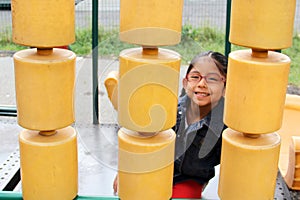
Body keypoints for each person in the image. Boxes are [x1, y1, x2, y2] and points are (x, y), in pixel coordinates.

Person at [113, 50, 228, 199]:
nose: (201, 84)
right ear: (185, 82)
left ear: (225, 86)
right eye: (195, 77)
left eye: (212, 79)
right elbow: (143, 140)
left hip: (189, 178)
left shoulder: (225, 126)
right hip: (156, 170)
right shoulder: (168, 108)